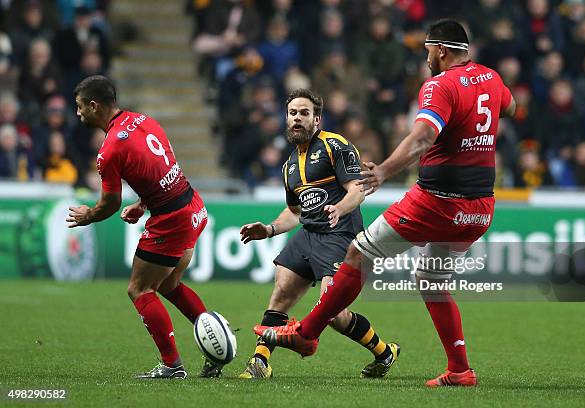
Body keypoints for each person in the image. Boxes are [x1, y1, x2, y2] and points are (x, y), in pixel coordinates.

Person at [255, 19, 516, 387]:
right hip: (480, 208)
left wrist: (384, 172)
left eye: (428, 51)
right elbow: (509, 106)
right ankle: (460, 370)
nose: (426, 58)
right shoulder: (490, 77)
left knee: (358, 254)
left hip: (437, 203)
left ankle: (307, 332)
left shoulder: (440, 85)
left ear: (441, 50)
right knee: (432, 278)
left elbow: (423, 138)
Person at [238, 88, 399, 379]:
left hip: (341, 235)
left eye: (304, 113)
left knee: (335, 314)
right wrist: (271, 228)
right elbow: (295, 211)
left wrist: (339, 208)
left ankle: (384, 352)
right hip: (309, 235)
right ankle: (259, 363)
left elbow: (357, 190)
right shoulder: (288, 166)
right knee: (281, 294)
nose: (297, 118)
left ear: (317, 120)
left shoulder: (335, 145)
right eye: (292, 113)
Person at [66, 75, 218, 379]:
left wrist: (88, 216)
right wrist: (145, 202)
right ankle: (216, 348)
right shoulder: (143, 120)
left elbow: (108, 204)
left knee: (139, 288)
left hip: (172, 219)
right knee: (168, 285)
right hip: (192, 205)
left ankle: (172, 365)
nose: (78, 113)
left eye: (80, 107)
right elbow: (163, 169)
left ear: (94, 106)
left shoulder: (109, 151)